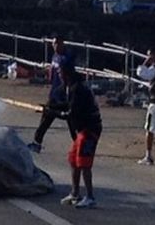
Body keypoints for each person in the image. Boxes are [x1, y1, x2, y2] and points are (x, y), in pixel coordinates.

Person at [47, 62, 102, 209]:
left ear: (66, 74)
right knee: (73, 159)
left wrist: (54, 113)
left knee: (84, 163)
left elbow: (71, 113)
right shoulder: (71, 87)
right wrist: (51, 107)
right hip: (82, 130)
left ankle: (90, 197)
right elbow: (69, 105)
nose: (59, 75)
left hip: (90, 129)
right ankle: (75, 193)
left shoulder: (78, 89)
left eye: (60, 73)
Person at [27, 37, 75, 153]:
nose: (55, 46)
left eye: (57, 44)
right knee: (45, 119)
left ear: (62, 44)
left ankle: (79, 145)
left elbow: (68, 77)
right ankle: (37, 143)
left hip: (65, 96)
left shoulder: (66, 58)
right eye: (53, 44)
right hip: (54, 95)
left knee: (72, 122)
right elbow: (51, 73)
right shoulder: (55, 56)